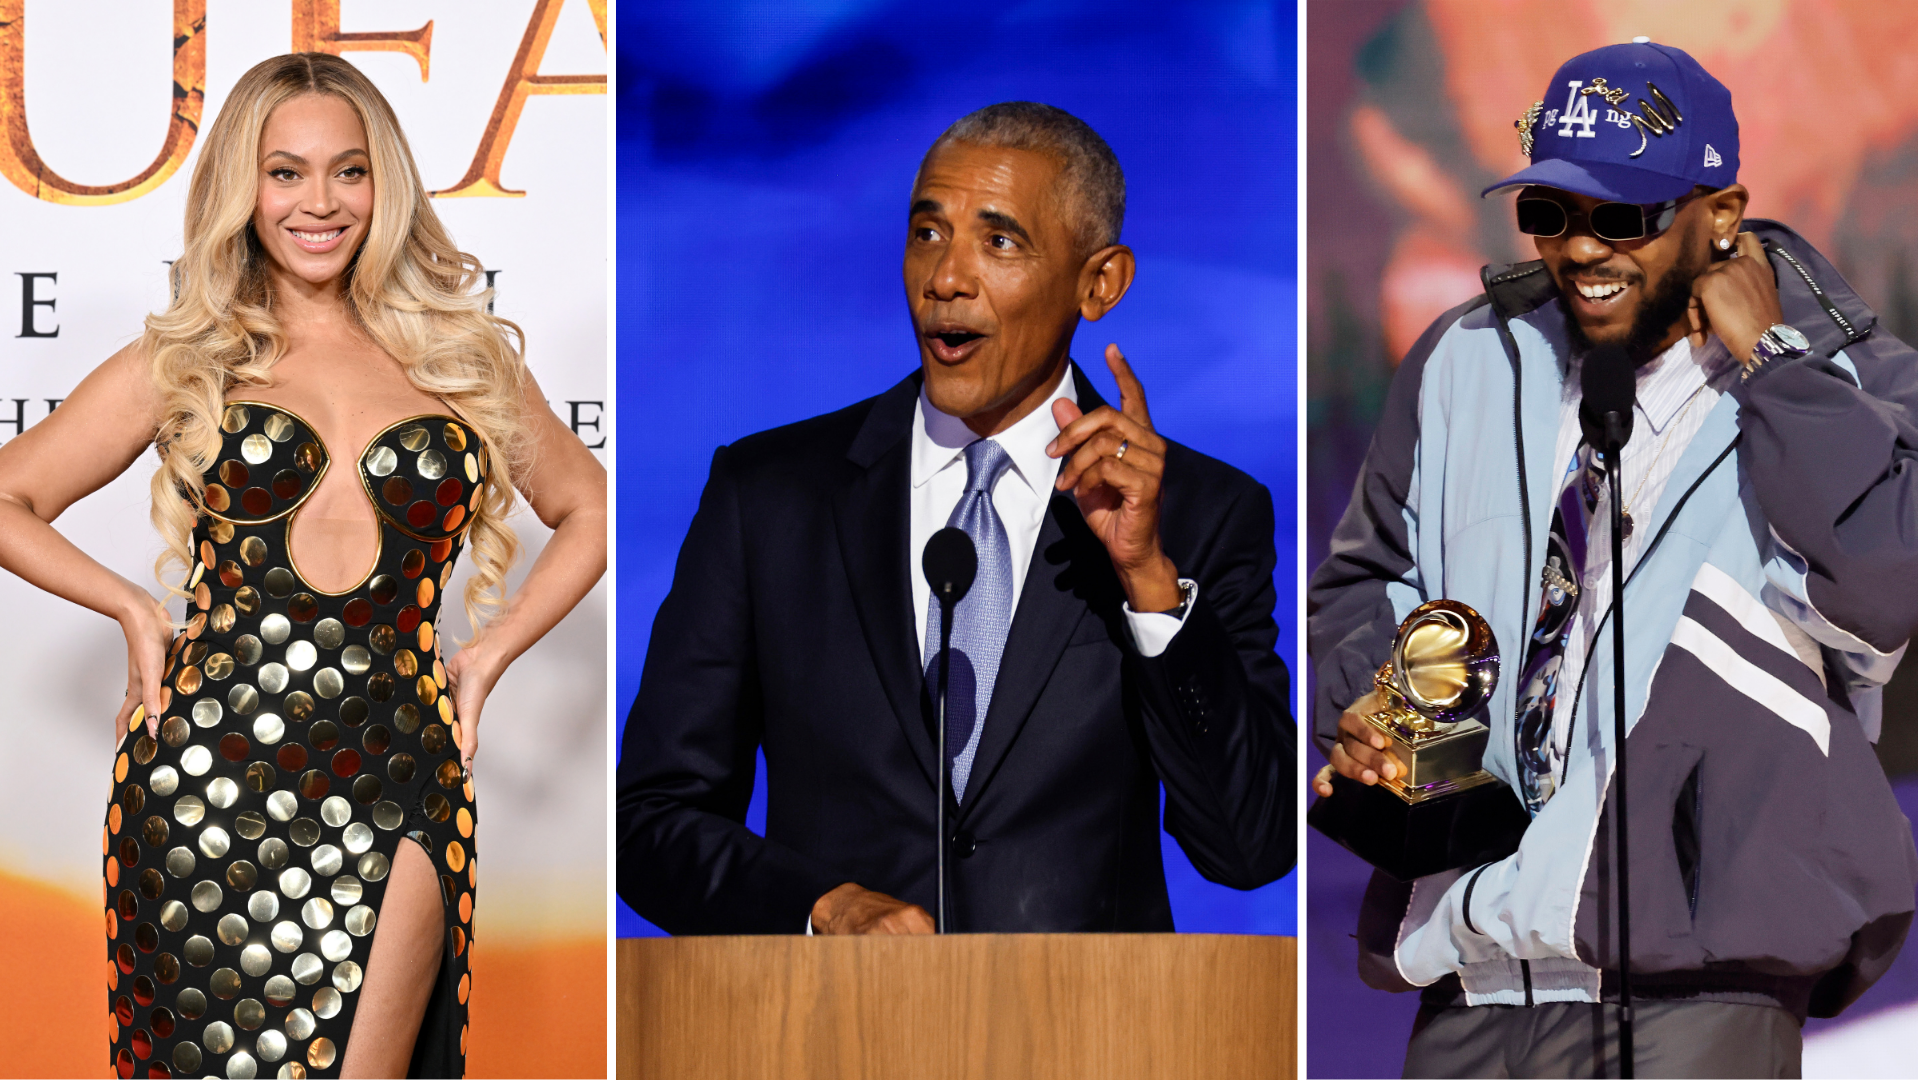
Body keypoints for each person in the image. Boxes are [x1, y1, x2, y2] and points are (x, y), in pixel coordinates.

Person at [1309, 41, 1915, 1078]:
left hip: (1697, 989)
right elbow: (1365, 587)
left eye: (1623, 217)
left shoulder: (1856, 380)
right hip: (1470, 971)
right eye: (1549, 213)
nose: (1581, 248)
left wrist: (1777, 366)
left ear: (1720, 214)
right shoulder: (1465, 360)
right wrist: (1377, 705)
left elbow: (1883, 589)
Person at [0, 55, 607, 1078]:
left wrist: (493, 653)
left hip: (398, 767)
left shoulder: (458, 355)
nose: (319, 202)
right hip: (199, 785)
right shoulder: (191, 355)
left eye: (348, 171)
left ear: (387, 184)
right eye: (286, 173)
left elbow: (586, 505)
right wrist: (132, 613)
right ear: (244, 188)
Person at [618, 101, 1293, 935]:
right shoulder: (770, 496)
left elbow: (1251, 847)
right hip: (832, 1043)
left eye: (999, 241)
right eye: (928, 233)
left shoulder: (1203, 514)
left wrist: (1149, 584)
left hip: (1096, 1045)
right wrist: (817, 909)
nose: (946, 279)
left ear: (1100, 283)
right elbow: (651, 821)